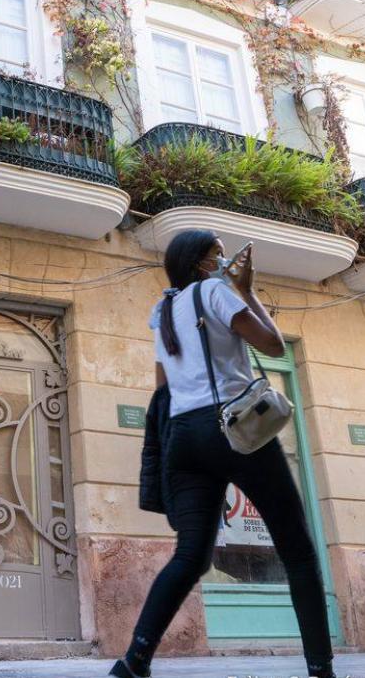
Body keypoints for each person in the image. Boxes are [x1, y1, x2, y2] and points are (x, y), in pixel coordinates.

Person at [108, 229, 335, 678]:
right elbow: (271, 344)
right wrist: (246, 290)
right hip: (237, 428)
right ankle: (320, 668)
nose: (224, 260)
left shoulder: (163, 310)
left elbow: (162, 387)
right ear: (200, 263)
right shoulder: (215, 291)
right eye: (218, 255)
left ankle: (133, 663)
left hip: (185, 437)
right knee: (298, 551)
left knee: (190, 556)